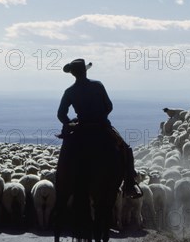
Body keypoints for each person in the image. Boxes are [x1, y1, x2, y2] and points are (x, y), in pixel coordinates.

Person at [57, 58, 140, 198]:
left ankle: (61, 188)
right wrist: (100, 116)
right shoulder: (97, 85)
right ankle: (130, 184)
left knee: (65, 158)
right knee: (126, 150)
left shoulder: (69, 91)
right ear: (85, 71)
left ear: (73, 74)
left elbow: (61, 114)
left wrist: (70, 123)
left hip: (81, 128)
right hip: (102, 126)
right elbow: (109, 106)